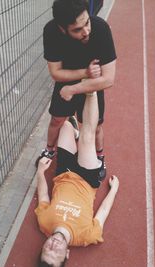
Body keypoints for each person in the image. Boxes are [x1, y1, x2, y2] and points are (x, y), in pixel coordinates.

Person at [35, 92, 119, 266]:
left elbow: (43, 196)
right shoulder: (86, 236)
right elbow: (102, 212)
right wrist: (114, 189)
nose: (53, 245)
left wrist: (41, 172)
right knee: (88, 137)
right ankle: (91, 91)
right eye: (56, 252)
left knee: (65, 126)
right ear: (67, 254)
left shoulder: (44, 222)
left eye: (47, 249)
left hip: (63, 173)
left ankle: (75, 135)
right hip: (87, 179)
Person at [35, 0, 117, 177]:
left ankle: (100, 155)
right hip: (73, 78)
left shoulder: (101, 29)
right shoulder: (51, 32)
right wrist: (85, 72)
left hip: (92, 85)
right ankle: (49, 150)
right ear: (62, 29)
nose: (86, 31)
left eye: (87, 23)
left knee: (95, 127)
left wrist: (74, 89)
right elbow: (56, 73)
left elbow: (108, 79)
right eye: (77, 30)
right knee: (56, 120)